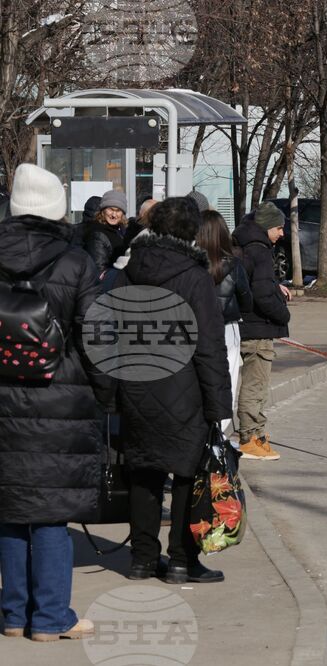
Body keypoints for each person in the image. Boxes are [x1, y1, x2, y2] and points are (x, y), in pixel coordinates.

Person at [0, 164, 111, 642]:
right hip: (61, 399)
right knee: (50, 514)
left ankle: (12, 614)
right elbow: (96, 337)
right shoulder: (76, 262)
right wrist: (105, 396)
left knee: (8, 509)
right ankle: (49, 618)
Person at [114, 197, 231, 585]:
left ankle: (142, 560)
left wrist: (109, 392)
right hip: (185, 391)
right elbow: (209, 345)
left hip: (135, 386)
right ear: (191, 233)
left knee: (143, 473)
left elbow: (106, 333)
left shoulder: (129, 269)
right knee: (186, 476)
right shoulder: (195, 276)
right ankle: (182, 560)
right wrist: (219, 405)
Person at [231, 202, 291, 461]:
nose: (282, 234)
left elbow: (261, 284)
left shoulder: (243, 244)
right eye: (279, 228)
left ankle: (254, 435)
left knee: (248, 384)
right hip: (258, 328)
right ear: (266, 226)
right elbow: (263, 294)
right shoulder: (260, 251)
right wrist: (283, 314)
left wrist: (275, 287)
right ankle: (250, 438)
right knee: (255, 386)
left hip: (242, 325)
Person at [198, 210, 253, 437]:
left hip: (197, 328)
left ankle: (201, 437)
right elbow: (247, 301)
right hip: (227, 329)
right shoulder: (234, 265)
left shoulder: (191, 264)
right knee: (226, 382)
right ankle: (218, 438)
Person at [82, 190, 129, 275]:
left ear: (123, 213)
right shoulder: (97, 234)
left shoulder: (122, 230)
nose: (114, 215)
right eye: (110, 209)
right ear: (103, 211)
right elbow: (99, 271)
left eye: (118, 210)